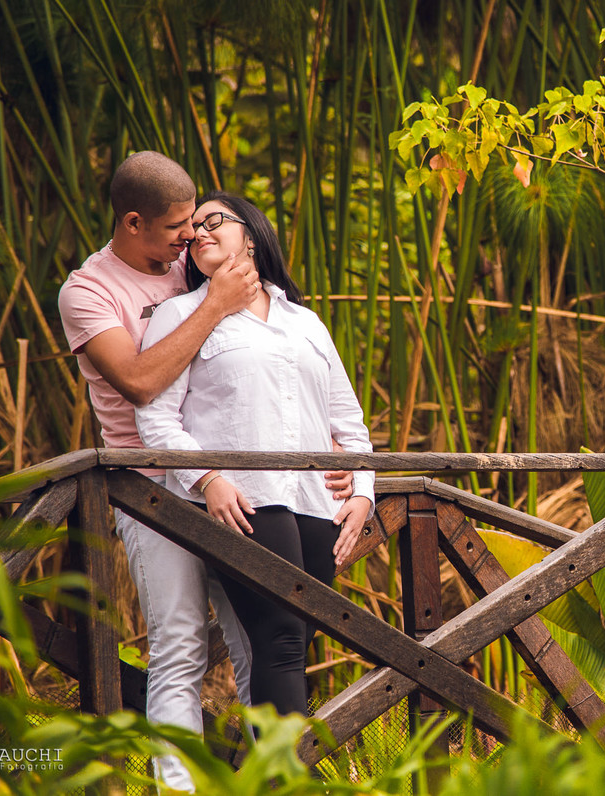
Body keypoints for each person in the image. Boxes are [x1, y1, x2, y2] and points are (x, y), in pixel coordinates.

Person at [57, 152, 353, 791]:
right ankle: (179, 786)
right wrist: (215, 304)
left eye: (200, 225)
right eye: (177, 230)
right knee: (180, 642)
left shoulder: (192, 276)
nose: (190, 238)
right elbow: (139, 386)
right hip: (148, 491)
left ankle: (264, 776)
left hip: (226, 492)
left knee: (261, 637)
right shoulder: (89, 291)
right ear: (133, 223)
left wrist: (357, 480)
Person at [136, 190, 375, 718]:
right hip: (244, 501)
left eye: (212, 220)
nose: (197, 233)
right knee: (282, 638)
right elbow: (154, 416)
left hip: (314, 503)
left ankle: (273, 776)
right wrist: (208, 479)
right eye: (190, 231)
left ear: (251, 231)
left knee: (294, 643)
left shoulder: (305, 322)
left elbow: (348, 423)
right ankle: (288, 781)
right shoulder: (180, 313)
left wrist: (363, 491)